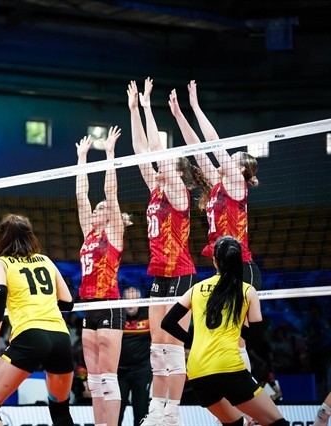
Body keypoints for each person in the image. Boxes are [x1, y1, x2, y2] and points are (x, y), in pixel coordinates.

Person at [129, 78, 208, 426]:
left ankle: (171, 412)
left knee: (173, 349)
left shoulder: (178, 195)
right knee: (156, 349)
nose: (157, 169)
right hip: (159, 273)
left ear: (175, 173)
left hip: (180, 273)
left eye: (164, 167)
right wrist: (135, 109)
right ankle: (157, 409)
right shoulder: (156, 191)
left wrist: (149, 107)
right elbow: (141, 153)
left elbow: (156, 152)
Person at [168, 80, 261, 371]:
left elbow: (214, 144)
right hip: (221, 266)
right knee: (228, 335)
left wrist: (196, 106)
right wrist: (180, 116)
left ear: (242, 170)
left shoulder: (235, 185)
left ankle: (250, 397)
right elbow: (198, 150)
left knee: (239, 339)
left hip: (241, 265)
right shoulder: (219, 185)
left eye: (233, 161)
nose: (225, 161)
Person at [161, 236, 288, 426]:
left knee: (234, 424)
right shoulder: (246, 291)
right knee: (277, 423)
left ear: (214, 261)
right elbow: (257, 338)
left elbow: (168, 322)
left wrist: (192, 341)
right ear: (239, 262)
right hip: (229, 369)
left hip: (197, 372)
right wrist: (237, 330)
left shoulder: (196, 289)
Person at [0, 213, 75, 426]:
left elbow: (0, 291)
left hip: (30, 336)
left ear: (0, 237)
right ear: (30, 235)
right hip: (61, 338)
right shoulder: (46, 260)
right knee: (60, 412)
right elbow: (67, 302)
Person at [75, 126, 131, 426]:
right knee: (93, 380)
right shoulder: (89, 233)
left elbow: (111, 192)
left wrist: (109, 153)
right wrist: (82, 159)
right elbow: (81, 195)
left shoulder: (114, 233)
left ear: (109, 215)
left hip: (109, 303)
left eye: (101, 209)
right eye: (95, 210)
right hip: (87, 307)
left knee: (108, 378)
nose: (96, 210)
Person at [118, 287, 152, 426]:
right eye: (128, 300)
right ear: (122, 301)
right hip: (119, 372)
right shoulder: (117, 316)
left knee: (141, 411)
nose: (131, 304)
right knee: (117, 411)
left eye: (134, 300)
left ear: (140, 301)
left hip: (142, 371)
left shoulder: (149, 315)